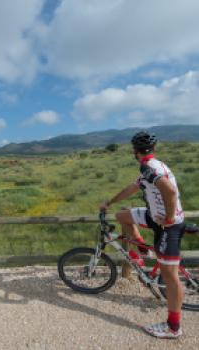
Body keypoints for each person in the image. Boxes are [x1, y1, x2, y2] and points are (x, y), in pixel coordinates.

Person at [100, 131, 185, 339]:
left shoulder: (149, 167)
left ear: (134, 151)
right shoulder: (152, 165)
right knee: (122, 216)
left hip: (167, 226)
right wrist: (110, 203)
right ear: (153, 149)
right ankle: (140, 249)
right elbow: (131, 188)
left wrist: (169, 217)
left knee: (170, 277)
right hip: (154, 216)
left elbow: (171, 192)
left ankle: (173, 327)